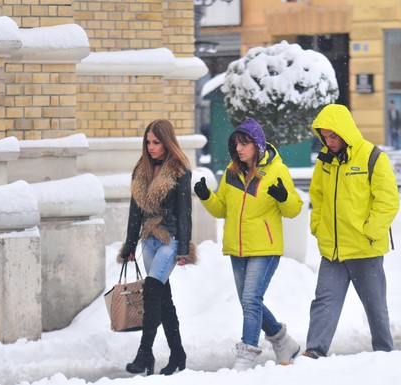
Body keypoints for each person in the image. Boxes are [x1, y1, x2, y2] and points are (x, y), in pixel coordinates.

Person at [193, 118, 304, 371]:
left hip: (265, 247)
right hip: (237, 247)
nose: (240, 149)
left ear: (258, 144)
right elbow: (222, 209)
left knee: (251, 299)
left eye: (245, 143)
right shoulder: (231, 172)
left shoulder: (277, 171)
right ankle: (283, 342)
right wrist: (207, 196)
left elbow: (294, 209)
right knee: (249, 301)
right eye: (236, 144)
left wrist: (284, 198)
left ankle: (247, 352)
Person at [302, 104, 400, 359]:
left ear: (345, 131)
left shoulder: (373, 157)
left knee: (375, 306)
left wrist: (370, 231)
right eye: (324, 136)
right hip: (333, 249)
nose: (329, 141)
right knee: (324, 301)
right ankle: (314, 350)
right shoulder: (324, 161)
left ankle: (384, 352)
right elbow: (318, 197)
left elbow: (387, 200)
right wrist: (318, 227)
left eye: (333, 136)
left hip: (364, 248)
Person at [118, 119, 197, 376]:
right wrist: (130, 245)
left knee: (152, 290)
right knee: (163, 298)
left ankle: (144, 353)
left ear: (167, 141)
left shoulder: (180, 170)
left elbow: (185, 213)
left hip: (170, 239)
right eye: (148, 142)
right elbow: (134, 213)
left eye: (156, 142)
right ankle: (178, 354)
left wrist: (184, 248)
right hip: (148, 240)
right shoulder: (141, 170)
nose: (151, 147)